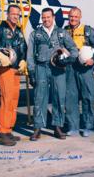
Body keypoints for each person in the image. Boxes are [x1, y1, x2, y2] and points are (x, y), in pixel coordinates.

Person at [27, 8, 78, 141]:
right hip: (41, 68)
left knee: (59, 98)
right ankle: (38, 128)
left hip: (58, 69)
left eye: (48, 17)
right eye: (43, 17)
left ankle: (57, 127)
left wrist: (68, 60)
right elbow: (30, 55)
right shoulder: (35, 34)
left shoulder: (62, 33)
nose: (46, 20)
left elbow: (74, 49)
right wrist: (31, 71)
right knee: (39, 98)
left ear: (53, 17)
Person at [0, 4, 27, 146]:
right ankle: (2, 133)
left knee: (13, 100)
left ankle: (8, 130)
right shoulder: (0, 29)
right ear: (7, 14)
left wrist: (24, 60)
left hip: (16, 70)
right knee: (7, 99)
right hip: (4, 68)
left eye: (18, 14)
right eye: (13, 14)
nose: (15, 16)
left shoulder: (19, 31)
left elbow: (24, 47)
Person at [64, 7, 94, 137]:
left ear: (80, 17)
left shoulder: (88, 30)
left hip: (85, 68)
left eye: (76, 17)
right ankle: (73, 126)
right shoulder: (64, 31)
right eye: (71, 16)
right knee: (71, 98)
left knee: (87, 97)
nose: (73, 19)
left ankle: (88, 126)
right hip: (70, 68)